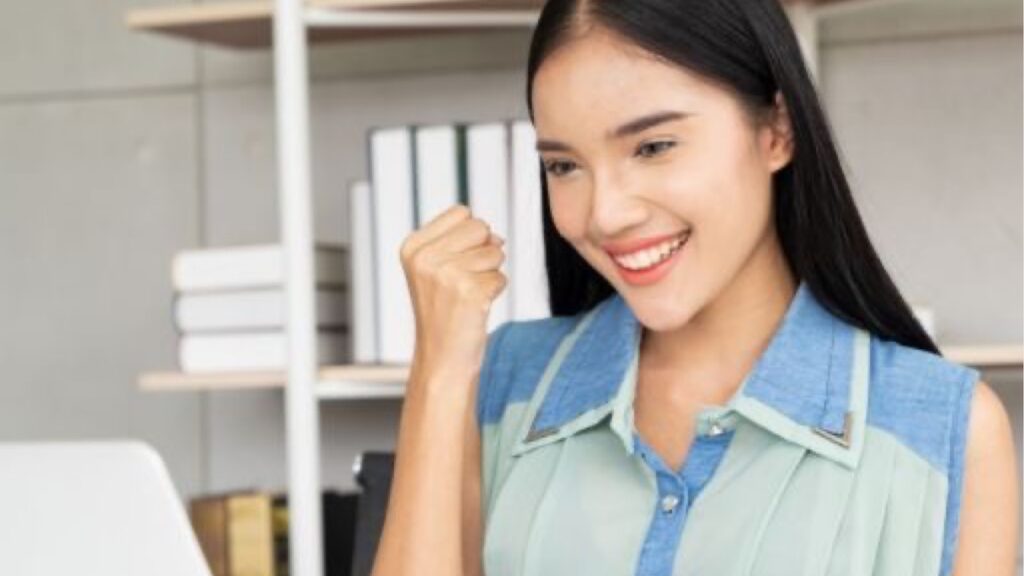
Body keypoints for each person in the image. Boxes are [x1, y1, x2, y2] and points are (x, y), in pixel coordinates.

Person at [370, 0, 1019, 575]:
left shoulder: (946, 429)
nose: (604, 214)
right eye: (565, 165)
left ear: (777, 130)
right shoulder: (505, 383)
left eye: (652, 146)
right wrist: (439, 370)